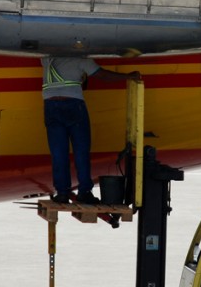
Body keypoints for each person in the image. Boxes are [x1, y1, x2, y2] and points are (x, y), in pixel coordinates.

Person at [41, 56, 141, 205]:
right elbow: (103, 75)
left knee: (58, 153)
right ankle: (85, 192)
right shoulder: (82, 60)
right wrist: (129, 76)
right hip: (73, 105)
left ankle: (62, 193)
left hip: (50, 106)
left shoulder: (46, 58)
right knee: (81, 150)